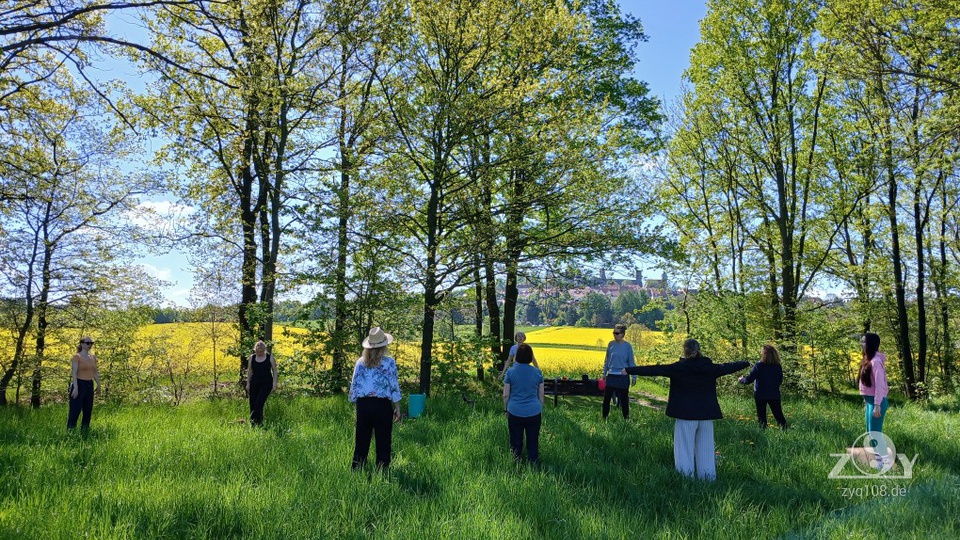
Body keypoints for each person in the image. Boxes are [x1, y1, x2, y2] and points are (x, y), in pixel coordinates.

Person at [623, 338, 748, 480]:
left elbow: (654, 369)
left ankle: (685, 480)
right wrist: (747, 363)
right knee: (706, 450)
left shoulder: (679, 368)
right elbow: (729, 366)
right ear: (699, 350)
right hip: (706, 415)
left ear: (685, 351)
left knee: (684, 449)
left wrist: (629, 370)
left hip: (685, 416)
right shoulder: (709, 367)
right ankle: (708, 480)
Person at [349, 327, 402, 471]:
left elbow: (354, 385)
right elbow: (393, 385)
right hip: (382, 405)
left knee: (362, 439)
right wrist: (397, 407)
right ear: (384, 345)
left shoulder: (360, 362)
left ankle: (357, 469)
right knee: (383, 440)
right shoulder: (389, 363)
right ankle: (382, 470)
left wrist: (356, 406)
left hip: (363, 404)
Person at [503, 343, 545, 463]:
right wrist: (539, 409)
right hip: (534, 411)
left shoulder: (510, 372)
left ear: (517, 356)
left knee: (516, 440)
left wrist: (506, 409)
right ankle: (533, 463)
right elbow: (541, 394)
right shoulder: (537, 372)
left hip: (514, 411)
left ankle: (516, 462)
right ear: (530, 357)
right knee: (533, 440)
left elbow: (505, 394)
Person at [738, 344, 787, 429]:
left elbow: (749, 380)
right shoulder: (777, 366)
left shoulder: (759, 365)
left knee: (761, 417)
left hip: (760, 395)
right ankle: (785, 431)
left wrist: (741, 379)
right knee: (779, 415)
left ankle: (763, 434)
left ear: (764, 354)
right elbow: (780, 380)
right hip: (774, 394)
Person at [859, 332, 889, 466]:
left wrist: (877, 404)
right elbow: (868, 385)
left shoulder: (876, 361)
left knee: (875, 434)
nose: (861, 344)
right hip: (871, 402)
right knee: (870, 433)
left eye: (864, 342)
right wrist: (867, 402)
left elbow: (880, 385)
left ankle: (884, 463)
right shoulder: (868, 359)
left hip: (878, 403)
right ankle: (878, 460)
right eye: (861, 341)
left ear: (870, 344)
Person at [601, 323, 636, 420]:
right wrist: (604, 373)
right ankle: (604, 418)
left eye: (617, 333)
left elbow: (631, 362)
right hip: (611, 375)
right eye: (613, 333)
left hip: (623, 376)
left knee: (624, 399)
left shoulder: (627, 346)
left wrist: (634, 376)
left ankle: (626, 419)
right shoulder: (611, 344)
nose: (614, 335)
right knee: (606, 399)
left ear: (622, 334)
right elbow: (607, 360)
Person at [67, 337, 100, 430]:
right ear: (81, 344)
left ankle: (85, 431)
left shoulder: (93, 357)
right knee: (75, 410)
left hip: (89, 384)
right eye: (87, 343)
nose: (89, 345)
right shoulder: (77, 357)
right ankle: (70, 431)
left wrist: (99, 385)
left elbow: (95, 372)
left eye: (91, 343)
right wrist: (75, 388)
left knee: (88, 410)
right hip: (79, 384)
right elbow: (74, 372)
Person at [246, 340, 278, 426]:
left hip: (266, 384)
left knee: (259, 404)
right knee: (252, 404)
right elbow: (249, 371)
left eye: (261, 351)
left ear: (264, 350)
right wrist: (248, 383)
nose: (259, 353)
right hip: (254, 383)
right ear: (255, 350)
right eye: (257, 351)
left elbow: (275, 371)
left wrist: (275, 384)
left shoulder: (270, 357)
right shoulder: (252, 358)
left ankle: (257, 423)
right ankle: (255, 424)